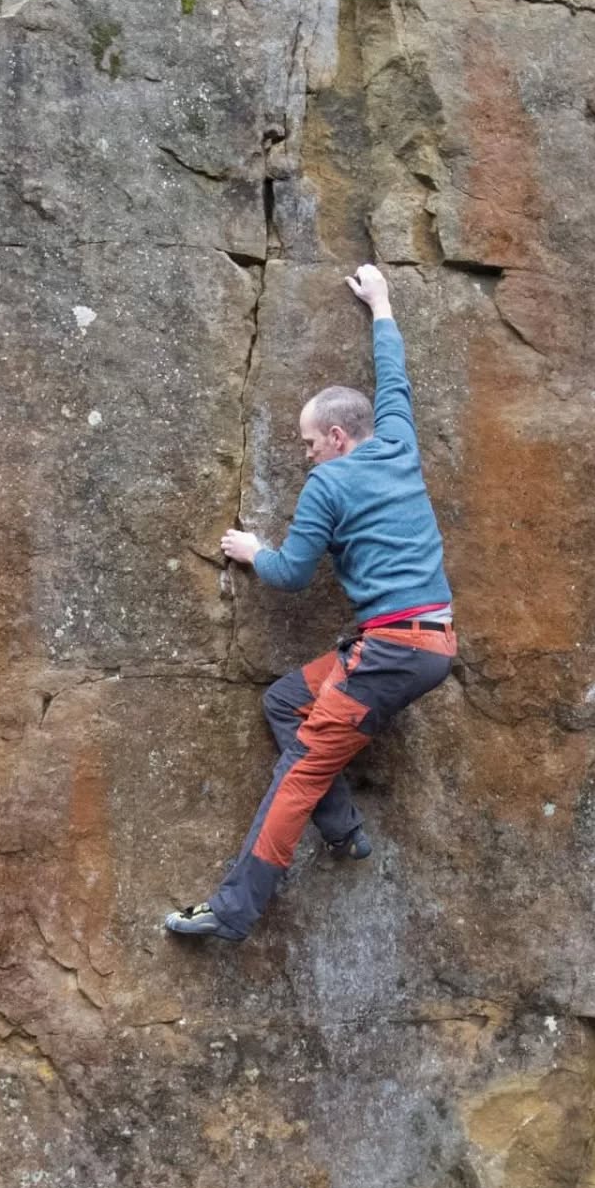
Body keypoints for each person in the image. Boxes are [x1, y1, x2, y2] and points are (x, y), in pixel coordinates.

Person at [166, 263, 456, 943]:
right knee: (285, 702)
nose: (305, 455)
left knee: (299, 770)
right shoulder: (397, 443)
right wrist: (381, 304)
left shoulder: (327, 486)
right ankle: (345, 832)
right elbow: (395, 379)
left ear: (336, 437)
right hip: (427, 642)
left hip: (390, 651)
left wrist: (252, 551)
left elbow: (294, 573)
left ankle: (233, 911)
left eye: (307, 442)